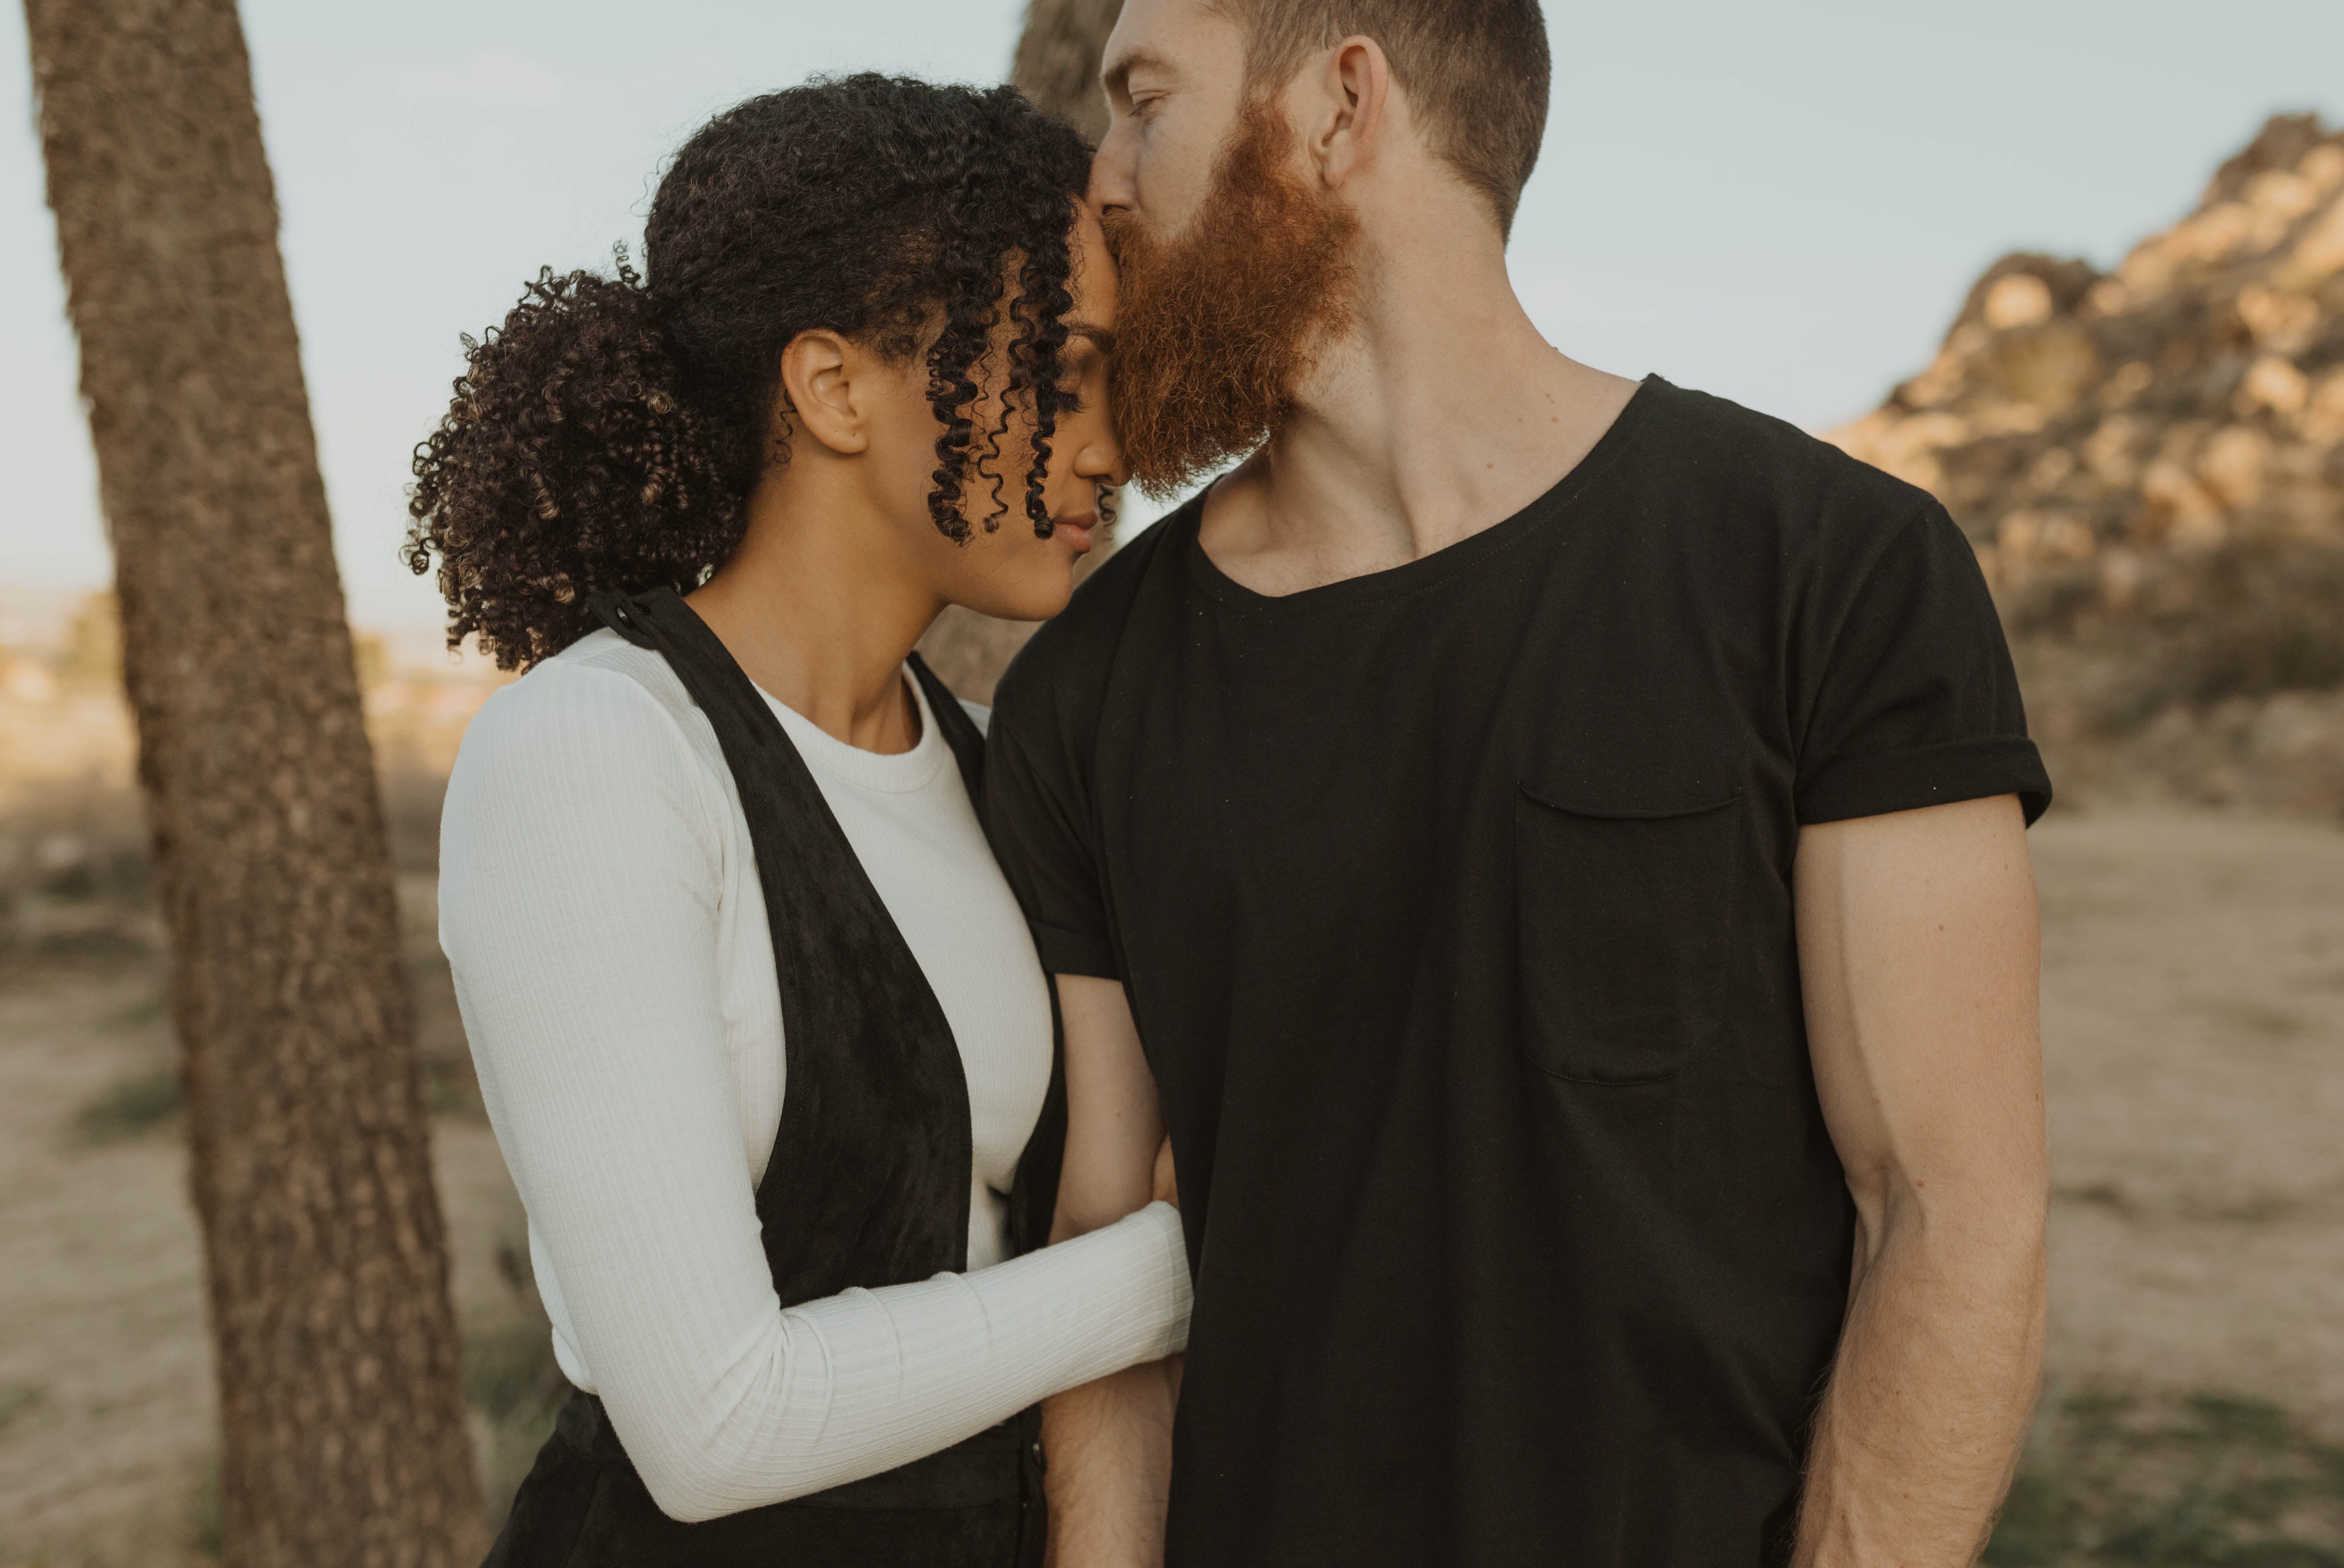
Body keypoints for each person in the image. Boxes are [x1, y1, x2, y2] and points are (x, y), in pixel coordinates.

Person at [987, 2, 2055, 1564]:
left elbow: (1947, 1213)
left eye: (1142, 101)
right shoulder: (1086, 693)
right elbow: (1108, 1258)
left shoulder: (1823, 569)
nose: (1101, 181)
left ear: (1341, 105)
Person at [407, 75, 1188, 1566]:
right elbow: (715, 1424)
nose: (1110, 449)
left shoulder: (982, 763)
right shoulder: (597, 753)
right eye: (1063, 373)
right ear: (834, 391)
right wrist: (1204, 1257)